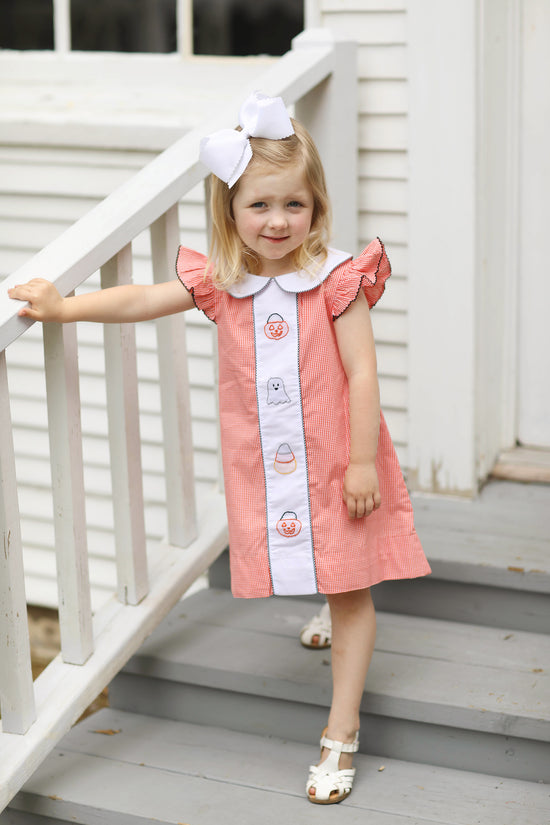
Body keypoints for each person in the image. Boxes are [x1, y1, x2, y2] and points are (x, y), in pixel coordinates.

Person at [9, 91, 431, 805]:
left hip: (338, 462)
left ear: (317, 207)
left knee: (351, 581)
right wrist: (64, 305)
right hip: (269, 468)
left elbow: (362, 372)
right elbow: (142, 299)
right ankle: (330, 608)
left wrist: (362, 461)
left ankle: (341, 729)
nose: (277, 221)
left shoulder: (335, 280)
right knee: (327, 566)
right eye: (259, 205)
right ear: (230, 212)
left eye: (294, 205)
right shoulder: (224, 283)